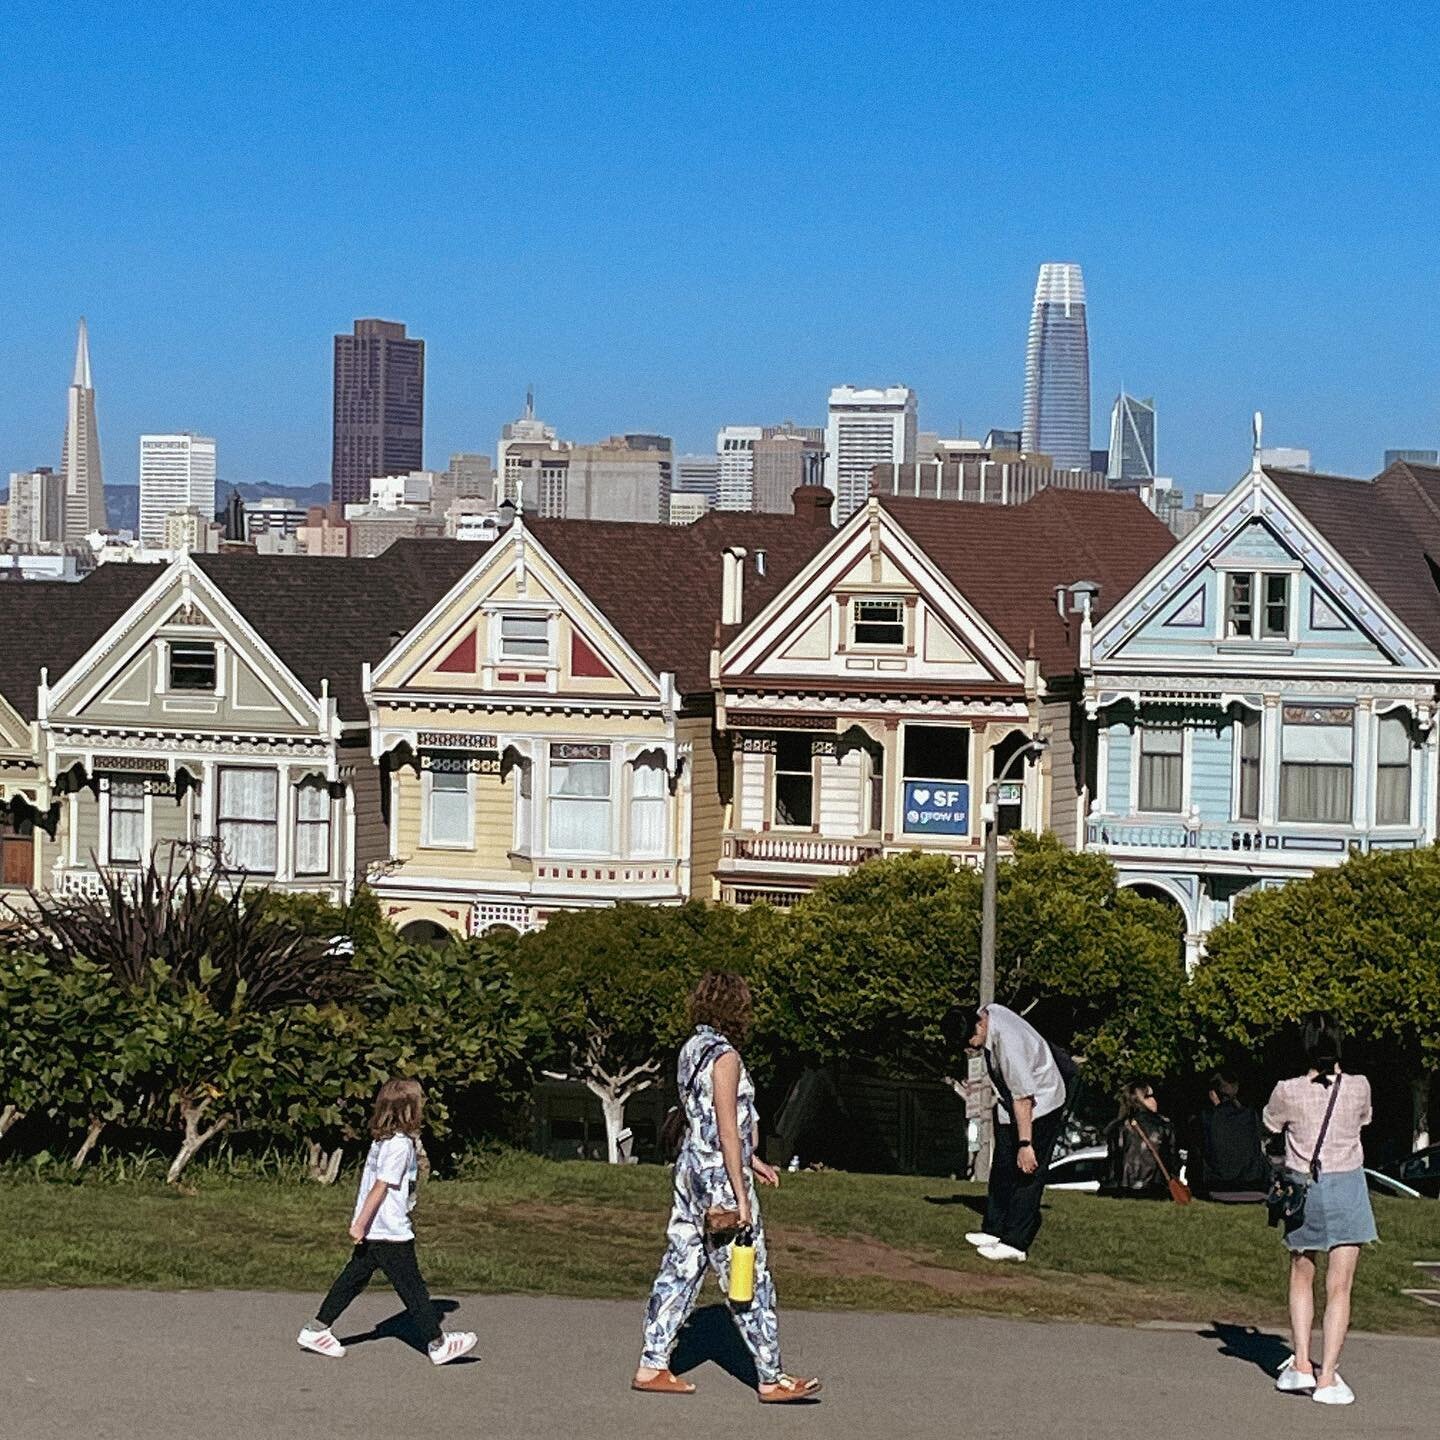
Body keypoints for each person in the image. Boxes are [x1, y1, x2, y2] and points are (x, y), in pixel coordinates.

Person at [632, 971, 820, 1402]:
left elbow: (703, 1119)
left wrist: (754, 1161)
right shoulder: (726, 1056)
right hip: (719, 1175)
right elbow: (728, 1128)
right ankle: (771, 1376)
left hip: (691, 1169)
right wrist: (742, 1193)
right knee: (747, 1273)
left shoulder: (691, 1049)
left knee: (680, 1266)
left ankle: (652, 1363)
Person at [297, 1077, 477, 1365]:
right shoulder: (400, 1145)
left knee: (353, 1279)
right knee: (413, 1288)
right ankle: (438, 1344)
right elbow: (381, 1186)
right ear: (412, 1109)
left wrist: (363, 1223)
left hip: (376, 1229)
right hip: (390, 1230)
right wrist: (359, 1224)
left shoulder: (383, 1141)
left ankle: (317, 1329)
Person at [1263, 1015, 1376, 1407]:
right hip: (1348, 1186)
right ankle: (1328, 1374)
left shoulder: (1287, 1091)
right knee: (1340, 1286)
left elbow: (1270, 1124)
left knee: (1301, 1275)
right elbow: (1365, 1120)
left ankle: (1300, 1363)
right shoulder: (1359, 1087)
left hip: (1304, 1190)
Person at [964, 1003, 1068, 1262]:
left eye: (971, 1040)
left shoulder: (1008, 1043)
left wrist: (1026, 1144)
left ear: (980, 1025)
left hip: (1042, 1105)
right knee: (1002, 1164)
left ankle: (1016, 1243)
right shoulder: (986, 1015)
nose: (971, 1046)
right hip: (1011, 1104)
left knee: (1027, 1173)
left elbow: (1024, 1099)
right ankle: (994, 1228)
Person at [1193, 1072, 1271, 1202]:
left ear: (1213, 1094)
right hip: (1253, 1186)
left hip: (1218, 1187)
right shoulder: (1250, 1116)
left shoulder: (1207, 1118)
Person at [1104, 1082, 1180, 1196]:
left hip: (1123, 1188)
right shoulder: (1164, 1126)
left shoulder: (1117, 1127)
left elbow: (1111, 1163)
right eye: (1148, 1096)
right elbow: (1173, 1162)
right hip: (1155, 1189)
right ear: (1137, 1100)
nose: (1154, 1100)